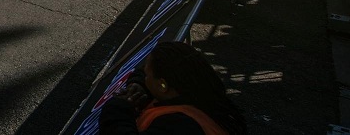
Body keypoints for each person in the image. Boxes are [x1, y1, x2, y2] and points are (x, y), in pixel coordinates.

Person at [99, 40, 247, 134]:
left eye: (147, 76)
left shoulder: (179, 125)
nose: (145, 78)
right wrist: (138, 84)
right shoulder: (202, 95)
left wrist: (117, 109)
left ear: (162, 85)